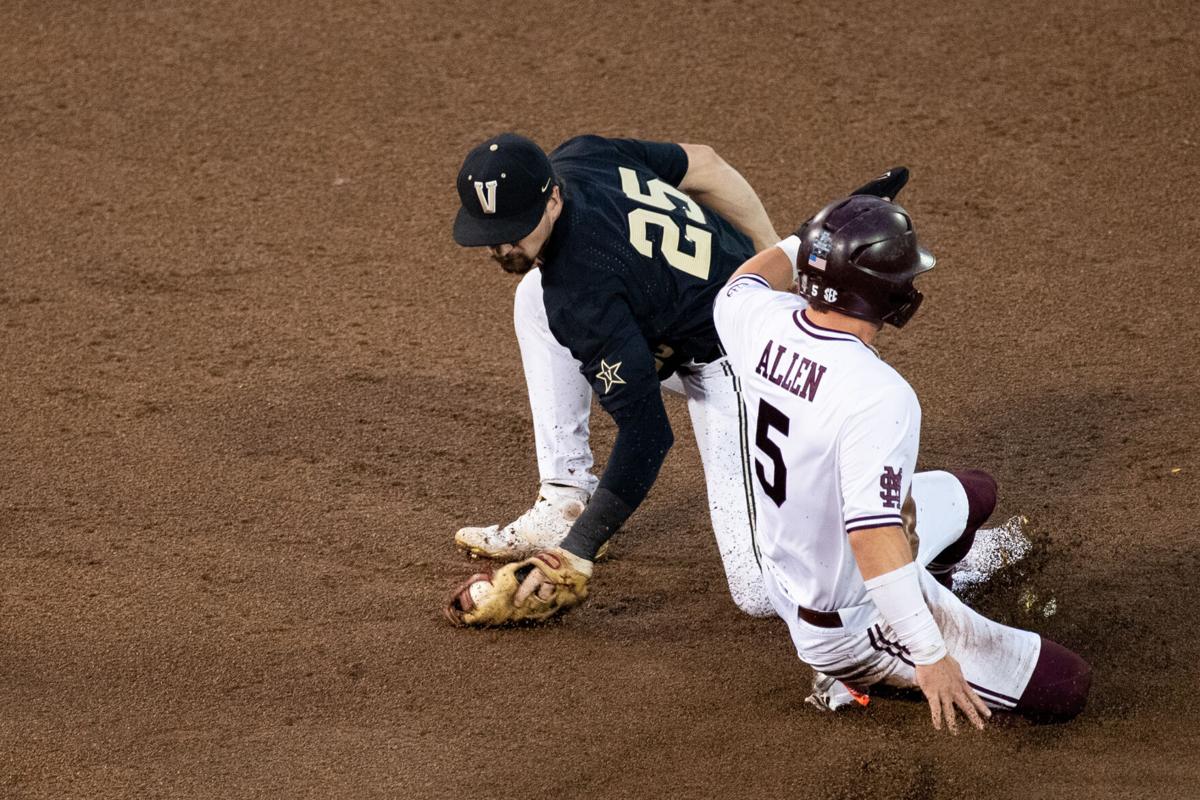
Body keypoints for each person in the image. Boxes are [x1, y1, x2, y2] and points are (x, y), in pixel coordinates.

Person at [710, 191, 1092, 728]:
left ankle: (940, 586)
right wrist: (931, 657)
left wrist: (820, 238)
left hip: (796, 566)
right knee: (1067, 685)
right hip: (849, 621)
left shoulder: (758, 321)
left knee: (977, 491)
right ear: (889, 295)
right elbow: (872, 537)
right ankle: (848, 676)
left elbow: (744, 281)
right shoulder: (877, 393)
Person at [445, 132, 781, 621]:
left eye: (515, 229)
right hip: (723, 305)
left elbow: (648, 436)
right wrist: (770, 251)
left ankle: (904, 539)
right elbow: (705, 164)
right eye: (490, 232)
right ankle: (563, 499)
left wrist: (577, 552)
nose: (501, 246)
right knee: (533, 296)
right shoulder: (583, 157)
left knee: (758, 593)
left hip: (741, 363)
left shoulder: (583, 292)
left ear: (552, 198)